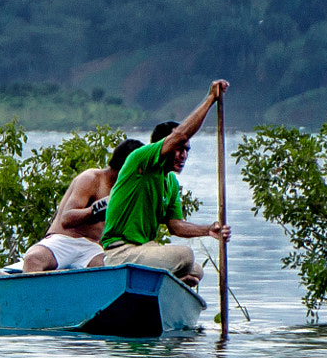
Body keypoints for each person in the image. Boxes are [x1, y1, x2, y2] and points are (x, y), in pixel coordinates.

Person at [95, 79, 232, 285]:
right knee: (185, 257)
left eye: (186, 150)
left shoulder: (170, 182)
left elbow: (175, 226)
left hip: (145, 248)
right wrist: (211, 98)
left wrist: (208, 229)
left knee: (195, 270)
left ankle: (163, 283)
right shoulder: (141, 160)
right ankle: (163, 280)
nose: (183, 155)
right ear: (165, 146)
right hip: (121, 251)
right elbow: (181, 134)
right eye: (179, 148)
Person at [0, 136, 143, 275]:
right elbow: (67, 219)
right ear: (128, 165)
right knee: (34, 259)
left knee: (114, 269)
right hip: (64, 240)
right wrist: (94, 210)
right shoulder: (92, 178)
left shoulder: (126, 189)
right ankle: (33, 307)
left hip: (91, 246)